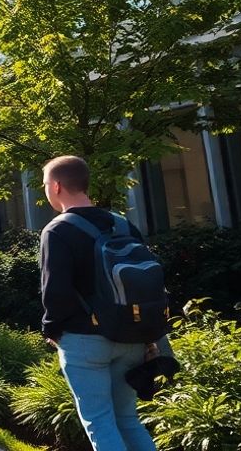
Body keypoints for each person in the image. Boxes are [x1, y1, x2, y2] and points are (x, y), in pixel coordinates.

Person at [41, 156, 158, 451]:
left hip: (84, 340)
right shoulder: (123, 225)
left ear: (56, 186)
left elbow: (55, 293)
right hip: (132, 335)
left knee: (100, 422)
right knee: (128, 419)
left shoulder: (57, 230)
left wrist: (52, 331)